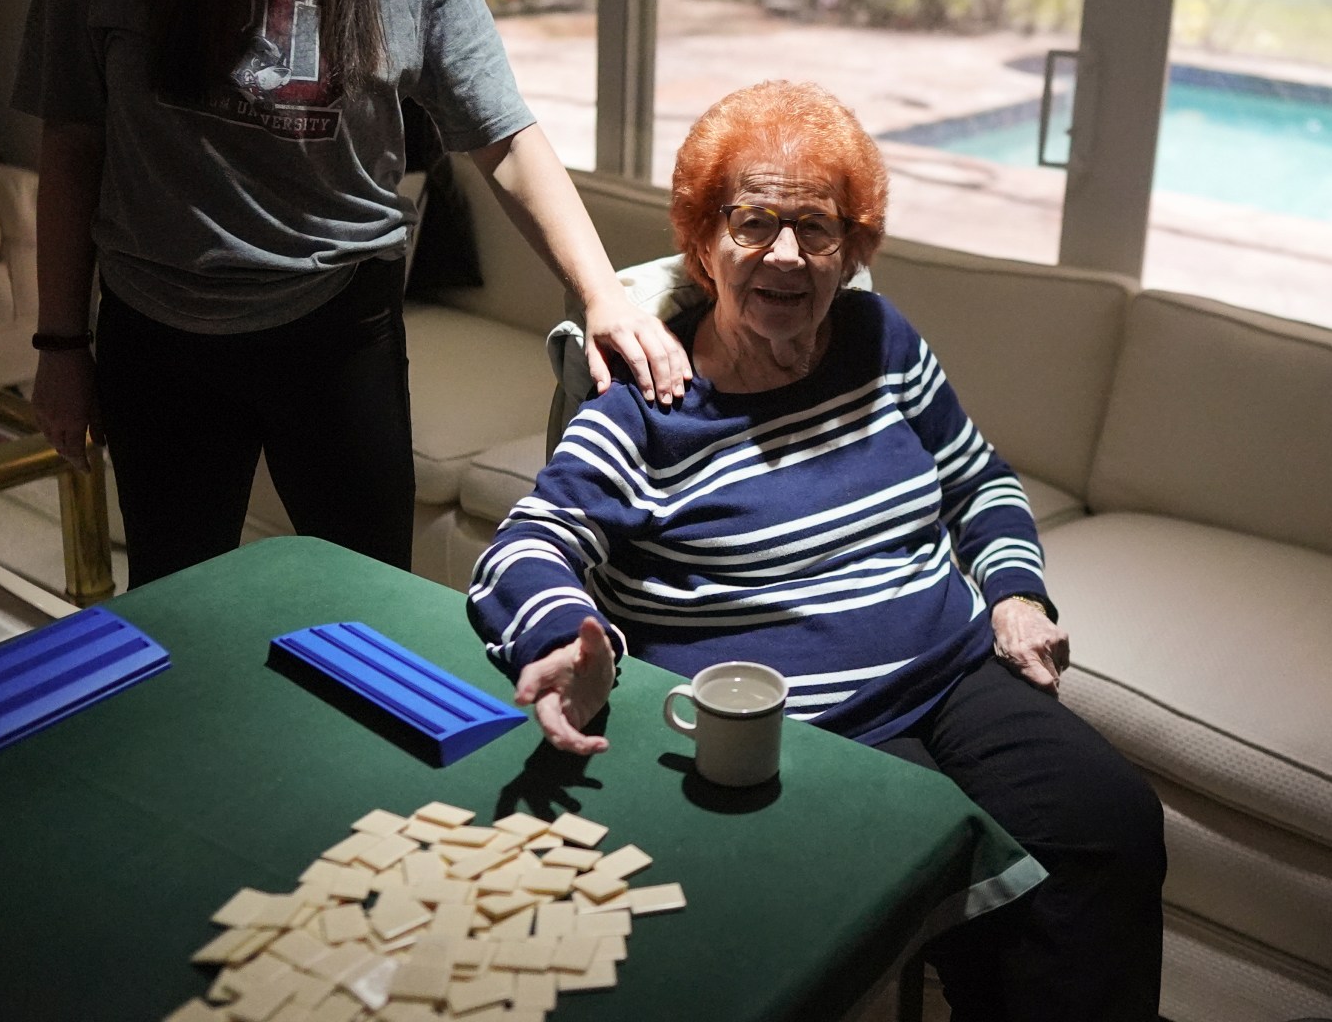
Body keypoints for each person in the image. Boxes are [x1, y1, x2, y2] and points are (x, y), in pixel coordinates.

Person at [466, 81, 1165, 1020]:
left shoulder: (881, 341)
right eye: (754, 222)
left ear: (854, 245)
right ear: (704, 241)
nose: (786, 256)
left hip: (953, 672)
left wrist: (1012, 593)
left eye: (818, 229)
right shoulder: (649, 398)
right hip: (799, 726)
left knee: (1112, 826)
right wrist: (564, 631)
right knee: (925, 873)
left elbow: (981, 480)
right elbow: (524, 546)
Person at [12, 0, 686, 586]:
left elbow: (507, 139)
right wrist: (59, 345)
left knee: (369, 608)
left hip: (336, 332)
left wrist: (602, 292)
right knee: (176, 601)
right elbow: (72, 146)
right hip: (157, 334)